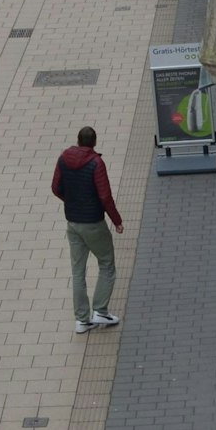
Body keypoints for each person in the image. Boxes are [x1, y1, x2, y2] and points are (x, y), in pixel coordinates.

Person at [52, 126, 125, 333]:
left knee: (78, 271)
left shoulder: (63, 158)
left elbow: (56, 187)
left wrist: (71, 201)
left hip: (72, 224)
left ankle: (82, 320)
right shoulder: (96, 163)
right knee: (107, 264)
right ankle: (100, 310)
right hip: (93, 223)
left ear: (78, 140)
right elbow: (104, 196)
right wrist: (117, 220)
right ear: (94, 142)